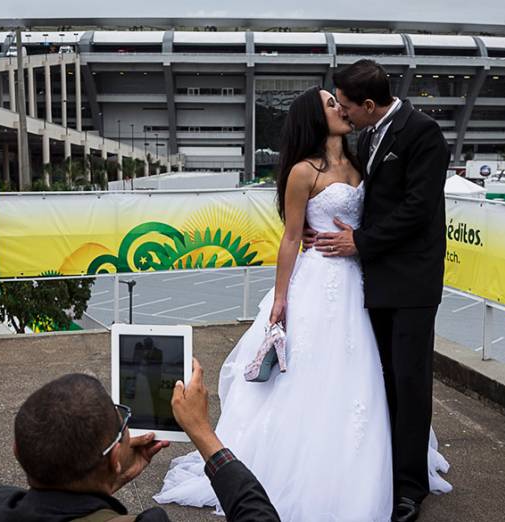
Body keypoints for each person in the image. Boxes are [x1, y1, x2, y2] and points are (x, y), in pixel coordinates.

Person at [155, 86, 450, 521]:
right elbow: (291, 236)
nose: (342, 108)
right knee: (313, 375)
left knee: (362, 373)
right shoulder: (301, 171)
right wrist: (280, 297)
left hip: (360, 280)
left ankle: (370, 464)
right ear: (315, 117)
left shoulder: (362, 157)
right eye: (332, 104)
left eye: (342, 102)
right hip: (318, 281)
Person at [314, 59, 451, 522]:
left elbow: (417, 208)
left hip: (412, 282)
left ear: (370, 105)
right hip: (374, 280)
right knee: (383, 379)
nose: (344, 113)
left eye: (348, 106)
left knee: (410, 384)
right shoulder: (370, 134)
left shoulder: (424, 133)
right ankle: (383, 469)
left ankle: (409, 488)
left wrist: (359, 242)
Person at [0, 360, 281, 521]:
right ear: (113, 458)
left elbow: (51, 506)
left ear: (17, 451)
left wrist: (105, 481)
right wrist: (203, 433)